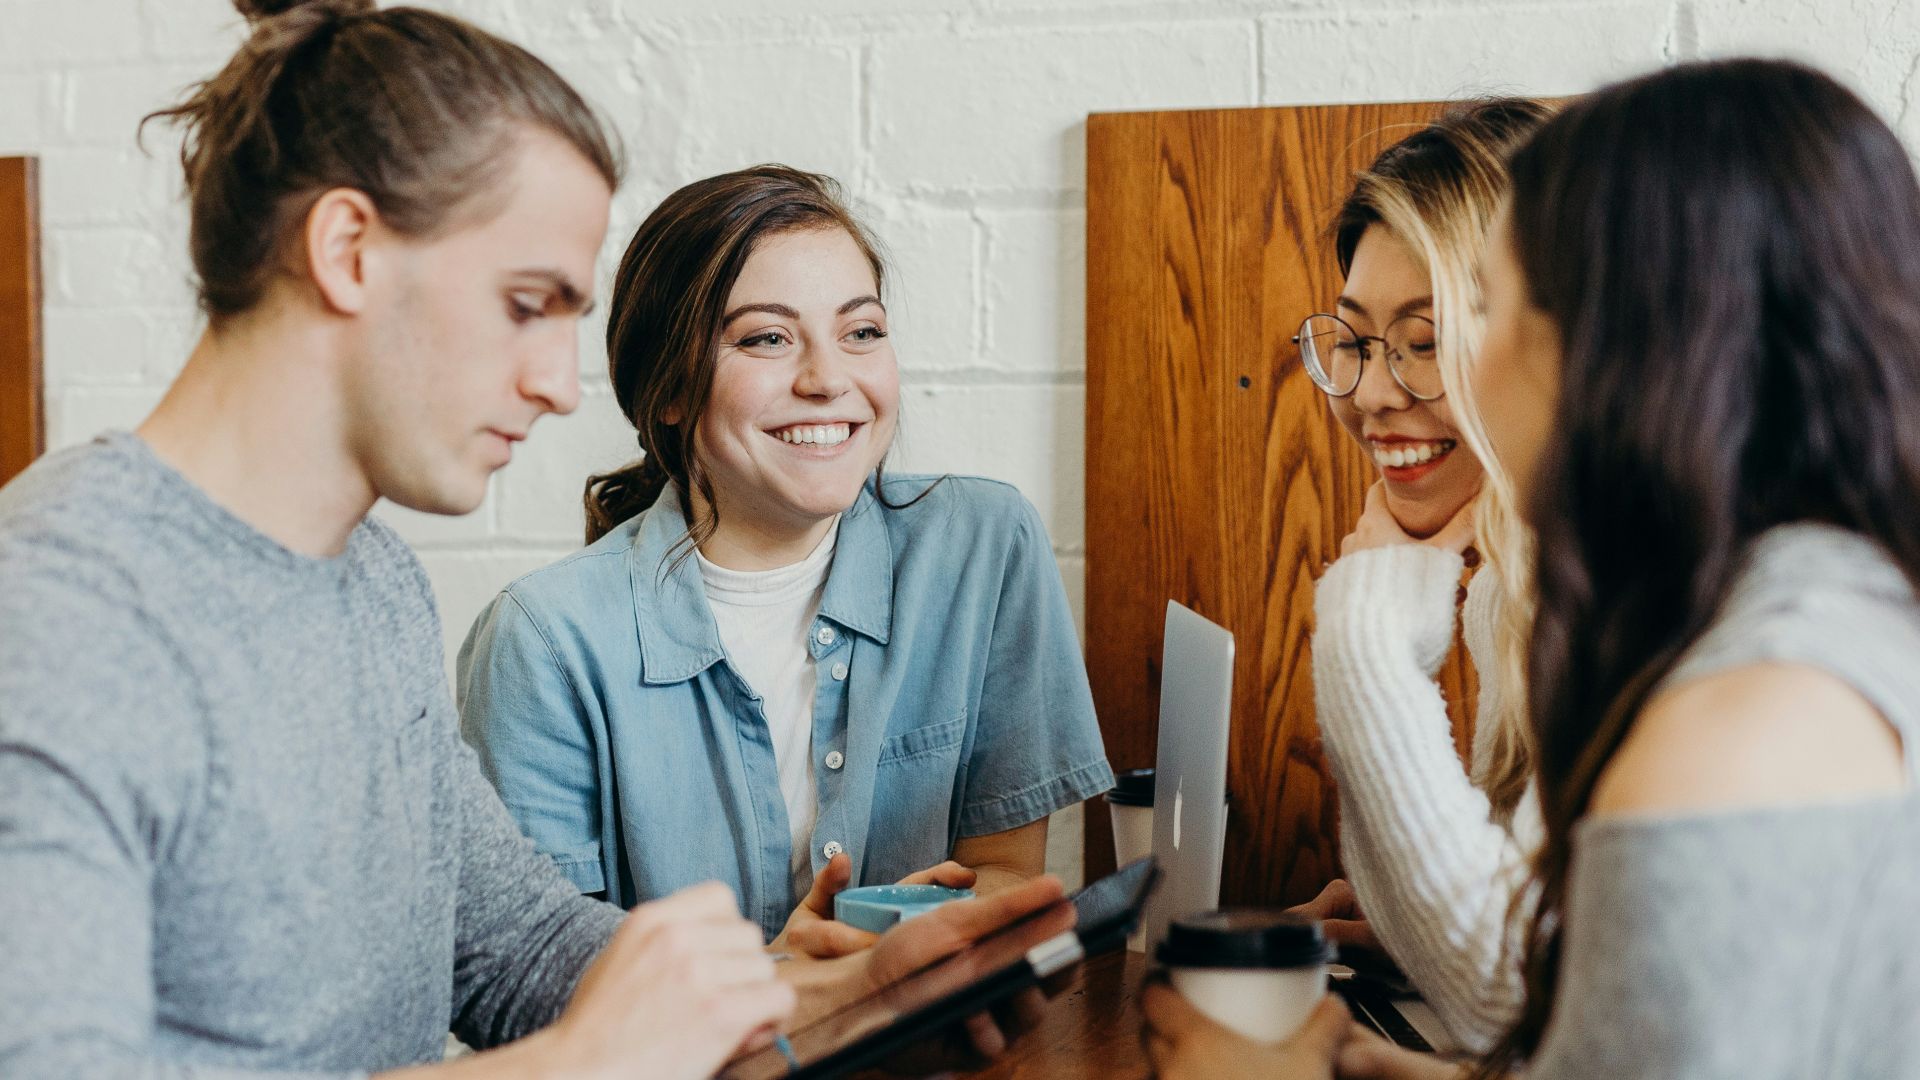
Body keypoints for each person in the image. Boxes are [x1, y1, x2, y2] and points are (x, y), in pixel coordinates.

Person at [0, 3, 1067, 1078]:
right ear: (348, 252)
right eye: (526, 304)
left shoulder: (370, 581)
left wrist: (829, 994)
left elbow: (519, 950)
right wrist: (582, 1064)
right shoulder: (61, 616)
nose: (561, 386)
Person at [1145, 57, 1920, 1079]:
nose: (1384, 389)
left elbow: (1529, 998)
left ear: (1626, 341)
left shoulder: (1736, 720)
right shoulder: (1816, 610)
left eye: (1488, 310)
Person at [457, 164, 1114, 955]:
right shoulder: (543, 642)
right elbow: (542, 980)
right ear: (666, 389)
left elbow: (1006, 871)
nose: (829, 379)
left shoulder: (983, 547)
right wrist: (789, 985)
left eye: (861, 332)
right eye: (767, 338)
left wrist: (902, 944)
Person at [1292, 99, 1552, 1053]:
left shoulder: (1622, 594)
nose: (1369, 393)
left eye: (1427, 338)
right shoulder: (1512, 587)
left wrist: (1363, 635)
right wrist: (1408, 920)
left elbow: (1506, 999)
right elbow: (1531, 969)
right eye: (1355, 340)